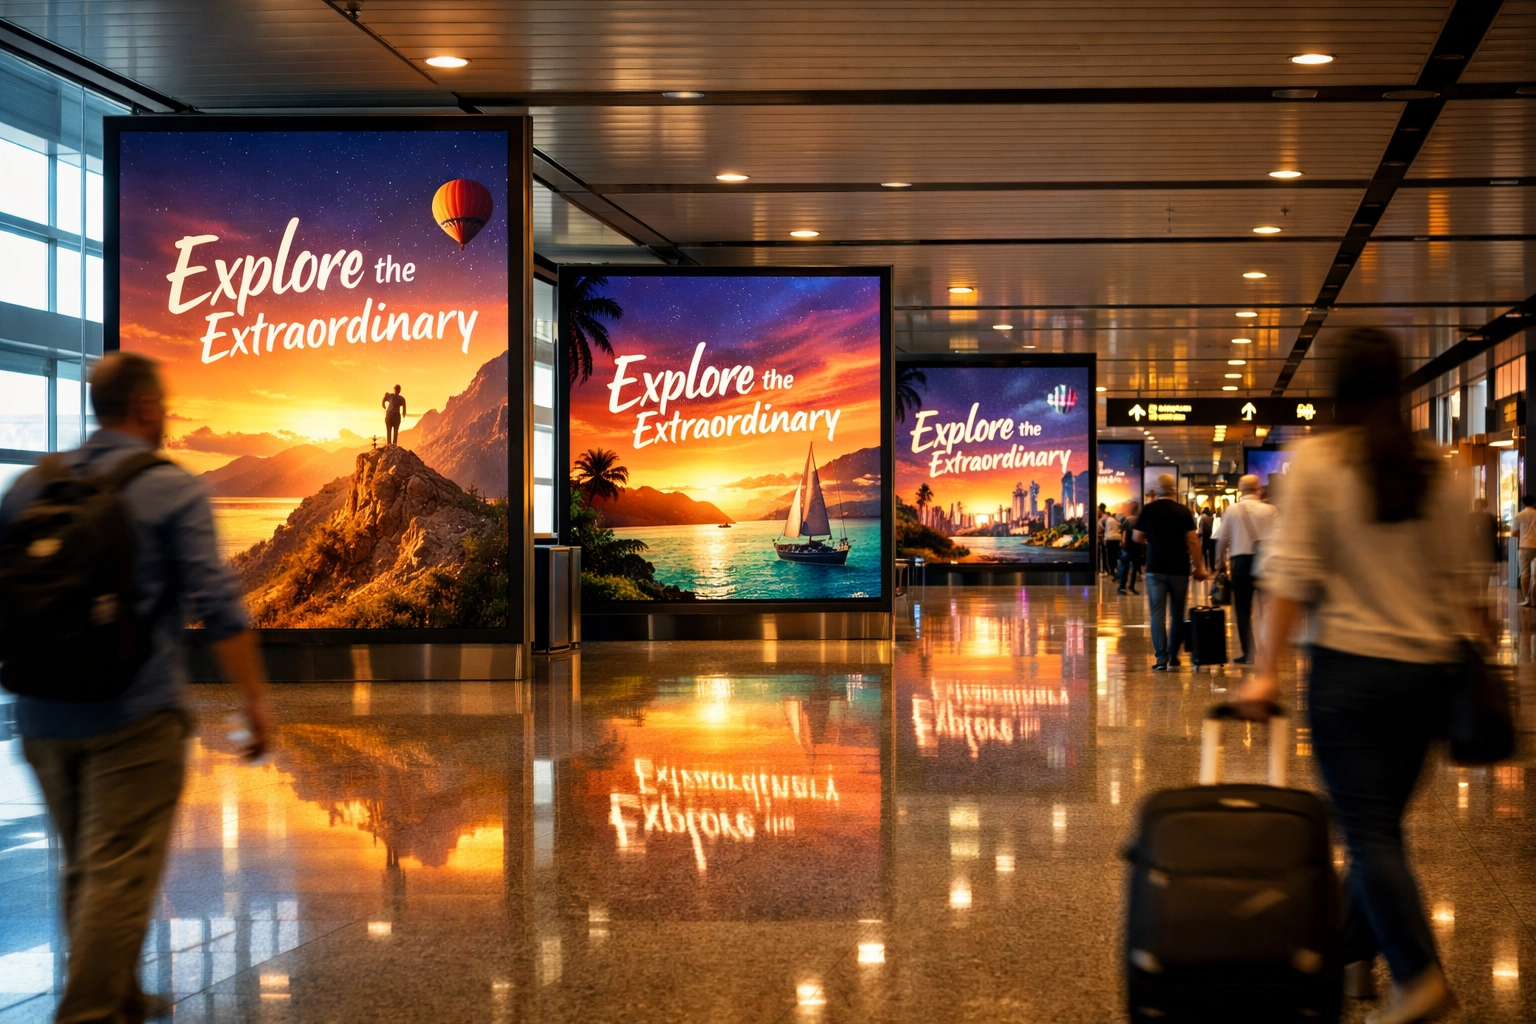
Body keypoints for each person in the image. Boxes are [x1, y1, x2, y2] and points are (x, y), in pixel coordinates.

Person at [0, 353, 272, 1024]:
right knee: (117, 869)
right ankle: (89, 1012)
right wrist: (256, 700)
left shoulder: (30, 487)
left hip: (40, 714)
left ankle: (119, 994)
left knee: (85, 864)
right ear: (146, 408)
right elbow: (218, 606)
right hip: (133, 716)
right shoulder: (170, 489)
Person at [1238, 328, 1486, 1024]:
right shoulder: (1439, 468)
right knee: (1379, 829)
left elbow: (1289, 582)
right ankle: (1349, 955)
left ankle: (1420, 976)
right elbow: (1467, 589)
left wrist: (1264, 673)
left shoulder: (1319, 463)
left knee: (1369, 831)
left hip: (1350, 676)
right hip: (1428, 679)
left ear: (1336, 389)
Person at [1133, 475, 1210, 670]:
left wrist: (1151, 543)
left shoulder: (1148, 510)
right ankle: (1173, 655)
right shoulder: (1183, 511)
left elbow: (1136, 536)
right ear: (1173, 490)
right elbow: (1193, 540)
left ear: (1156, 491)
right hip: (1179, 569)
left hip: (1155, 568)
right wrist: (1199, 566)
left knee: (1157, 614)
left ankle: (1161, 658)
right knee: (1177, 613)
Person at [1215, 474, 1279, 664]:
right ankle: (1268, 650)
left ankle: (1248, 653)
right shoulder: (1270, 510)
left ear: (1240, 489)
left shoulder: (1232, 510)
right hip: (1265, 561)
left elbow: (1222, 539)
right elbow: (1279, 536)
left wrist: (1220, 564)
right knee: (1267, 608)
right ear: (1258, 488)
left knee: (1243, 610)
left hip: (1240, 563)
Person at [1117, 501, 1143, 596]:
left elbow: (1124, 533)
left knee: (1125, 566)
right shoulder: (1139, 519)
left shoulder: (1126, 520)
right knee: (1135, 567)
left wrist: (1123, 544)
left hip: (1128, 546)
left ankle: (1122, 587)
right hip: (1137, 545)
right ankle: (1132, 586)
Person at [1516, 494, 1536, 605]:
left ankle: (1527, 598)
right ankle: (1535, 598)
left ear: (1523, 503)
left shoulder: (1519, 515)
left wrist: (1522, 537)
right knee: (1535, 573)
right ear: (1533, 503)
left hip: (1523, 546)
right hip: (1535, 546)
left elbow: (1514, 532)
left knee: (1525, 574)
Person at [1102, 505, 1123, 582]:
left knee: (1110, 555)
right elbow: (1119, 527)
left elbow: (1105, 529)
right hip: (1117, 539)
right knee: (1115, 554)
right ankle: (1115, 567)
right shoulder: (1115, 520)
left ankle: (1111, 570)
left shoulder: (1107, 520)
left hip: (1110, 539)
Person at [1198, 505, 1215, 573]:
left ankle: (1205, 567)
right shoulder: (1211, 517)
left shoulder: (1202, 517)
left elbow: (1200, 526)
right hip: (1211, 536)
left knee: (1204, 553)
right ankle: (1212, 567)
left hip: (1205, 536)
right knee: (1212, 553)